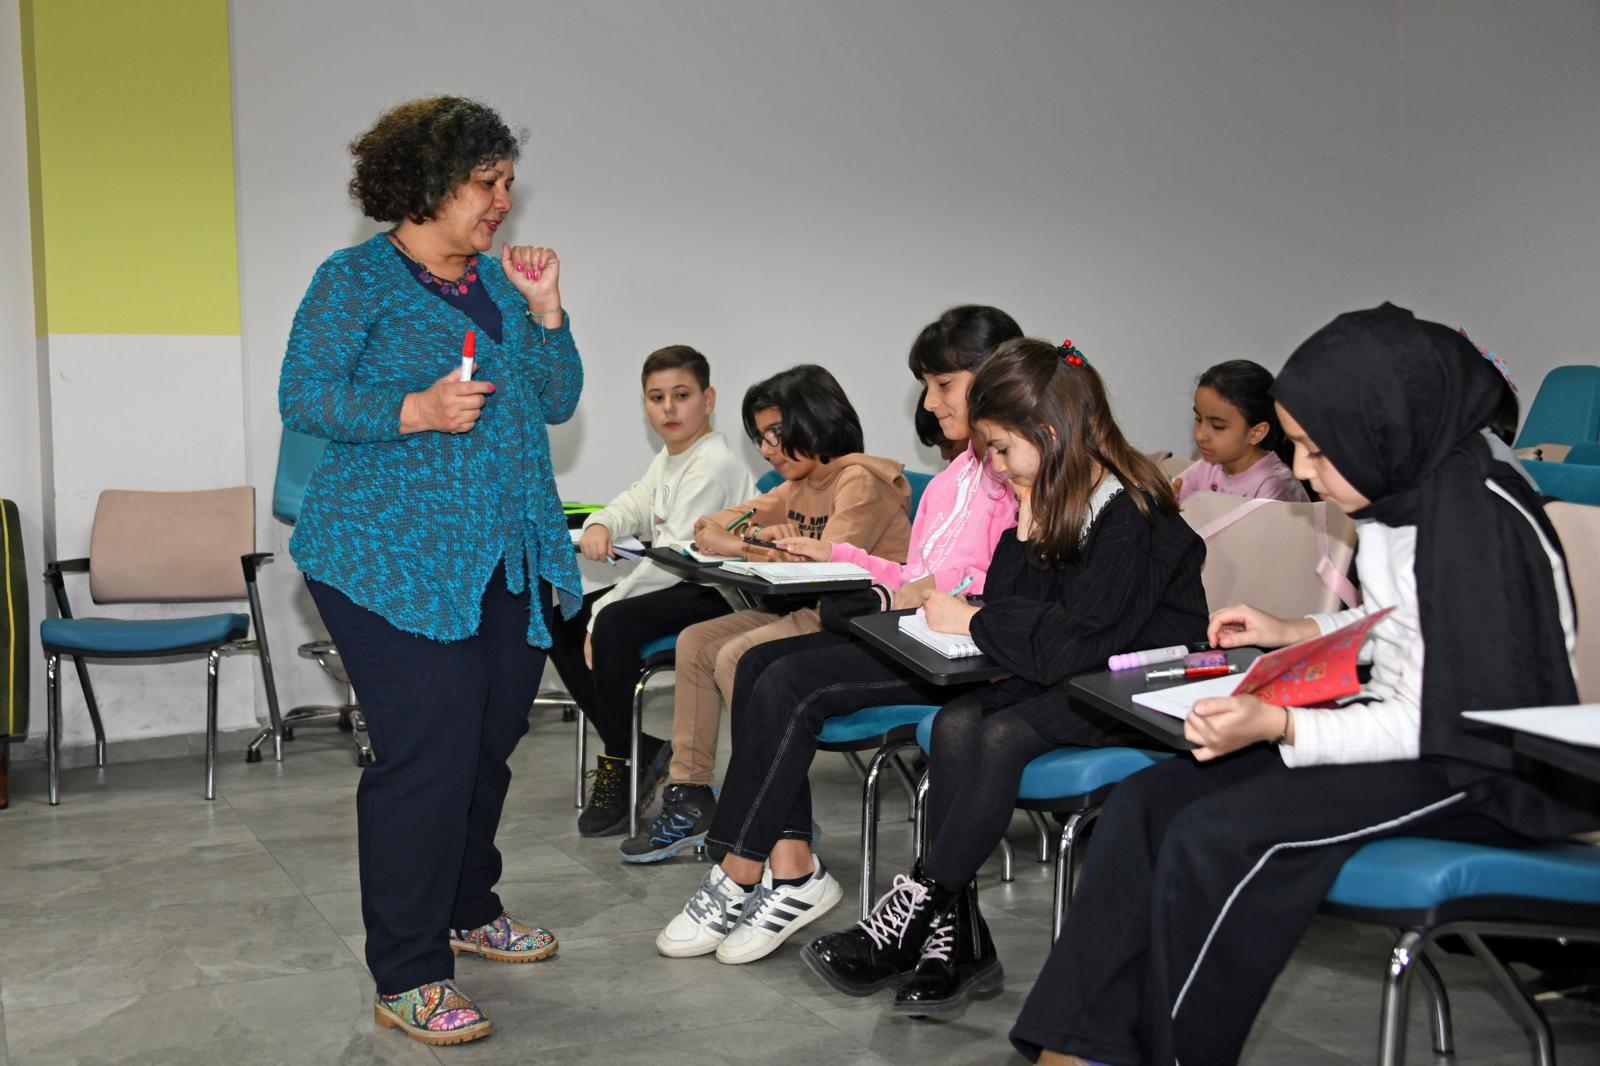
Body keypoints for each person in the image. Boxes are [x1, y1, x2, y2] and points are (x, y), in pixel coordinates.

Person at [1009, 304, 1594, 1066]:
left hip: (1480, 769)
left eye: (1319, 450)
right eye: (1300, 448)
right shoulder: (1405, 492)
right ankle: (1074, 1047)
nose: (1307, 471)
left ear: (1386, 428)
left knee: (1217, 835)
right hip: (1412, 732)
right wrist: (1298, 630)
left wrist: (1282, 726)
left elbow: (1435, 715)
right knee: (1145, 803)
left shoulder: (1476, 531)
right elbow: (1407, 630)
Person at [279, 96, 578, 1047]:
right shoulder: (354, 279)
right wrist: (412, 409)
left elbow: (555, 398)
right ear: (427, 185)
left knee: (487, 738)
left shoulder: (498, 283)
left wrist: (547, 312)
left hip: (501, 556)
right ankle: (408, 969)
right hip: (386, 556)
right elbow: (305, 395)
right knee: (428, 752)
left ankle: (466, 906)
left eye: (507, 183)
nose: (503, 201)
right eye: (487, 183)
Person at [803, 338, 1210, 1015]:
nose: (992, 466)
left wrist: (978, 618)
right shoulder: (1052, 497)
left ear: (1049, 433)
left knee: (1000, 735)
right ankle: (956, 943)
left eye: (999, 449)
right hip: (1078, 674)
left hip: (1142, 688)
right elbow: (1018, 613)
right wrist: (1022, 531)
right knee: (956, 723)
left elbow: (1069, 642)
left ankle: (912, 914)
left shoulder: (1131, 516)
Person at [650, 304, 1022, 962]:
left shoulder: (1016, 476)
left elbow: (1004, 585)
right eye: (928, 386)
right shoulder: (950, 482)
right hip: (916, 630)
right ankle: (791, 869)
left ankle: (739, 871)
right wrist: (838, 555)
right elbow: (910, 574)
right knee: (758, 665)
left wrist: (924, 591)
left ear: (1000, 378)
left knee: (781, 674)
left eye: (943, 385)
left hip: (966, 651)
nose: (929, 403)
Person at [618, 364, 912, 863]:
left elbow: (823, 566)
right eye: (760, 437)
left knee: (736, 655)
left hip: (859, 625)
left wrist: (746, 545)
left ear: (817, 420)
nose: (767, 449)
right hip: (809, 611)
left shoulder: (860, 480)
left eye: (777, 432)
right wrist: (758, 539)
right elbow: (709, 527)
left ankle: (776, 814)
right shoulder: (797, 482)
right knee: (695, 643)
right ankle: (691, 795)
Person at [545, 345, 754, 836]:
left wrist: (606, 608)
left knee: (612, 622)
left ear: (708, 399)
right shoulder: (671, 458)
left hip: (719, 591)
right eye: (657, 398)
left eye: (681, 395)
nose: (668, 408)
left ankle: (622, 759)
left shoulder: (713, 463)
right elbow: (636, 502)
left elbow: (674, 558)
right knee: (563, 622)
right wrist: (601, 523)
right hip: (682, 582)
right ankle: (639, 749)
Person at [1172, 360, 1308, 503]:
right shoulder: (1207, 466)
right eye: (1199, 419)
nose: (1200, 435)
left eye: (1218, 426)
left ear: (1256, 433)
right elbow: (1170, 497)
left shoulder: (1273, 484)